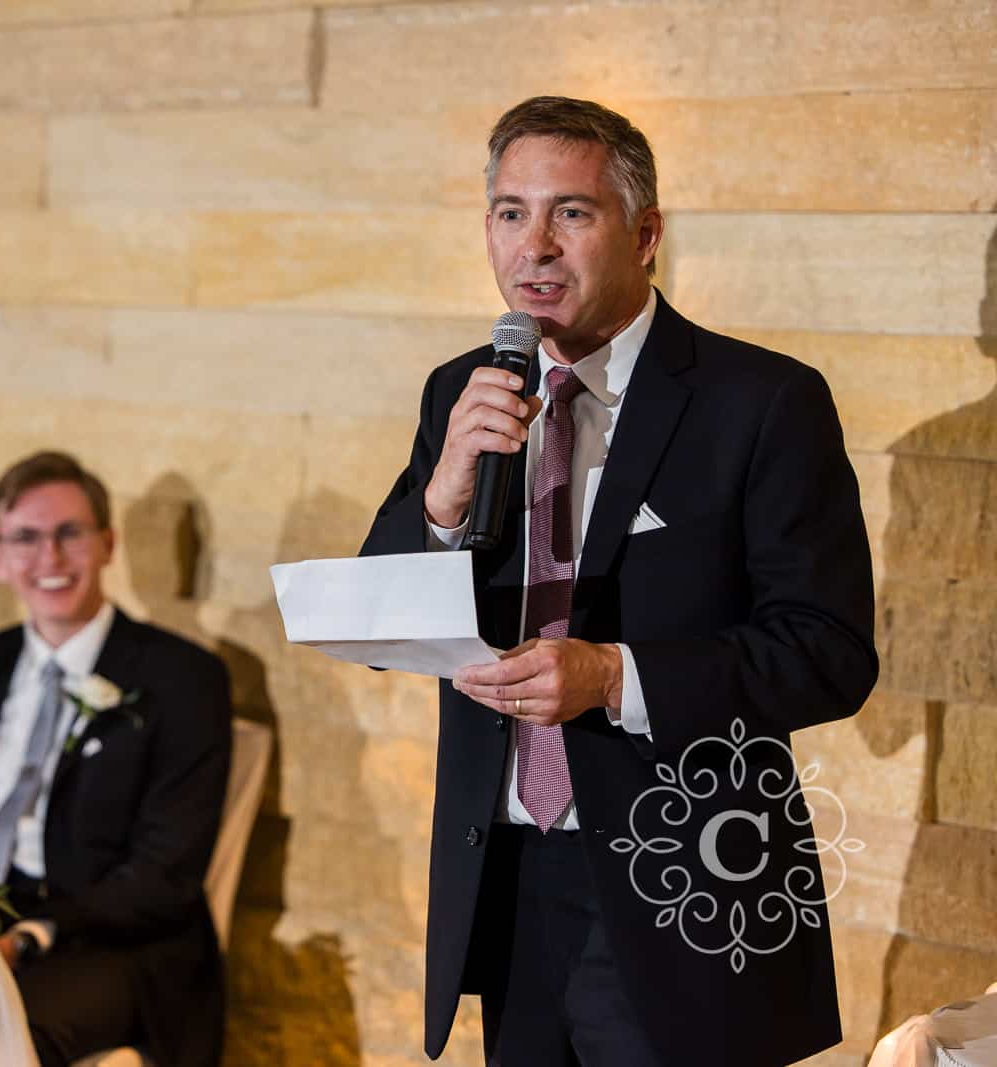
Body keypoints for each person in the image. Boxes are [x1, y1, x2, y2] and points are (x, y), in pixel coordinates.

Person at [360, 97, 878, 1066]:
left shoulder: (760, 401)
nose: (536, 246)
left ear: (644, 233)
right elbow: (382, 621)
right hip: (504, 877)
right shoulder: (461, 390)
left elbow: (828, 651)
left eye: (572, 212)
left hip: (680, 880)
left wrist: (613, 676)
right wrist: (440, 497)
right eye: (510, 212)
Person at [0, 451, 232, 1067]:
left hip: (108, 945)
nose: (50, 559)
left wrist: (32, 935)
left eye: (70, 534)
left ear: (107, 544)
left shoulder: (183, 680)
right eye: (25, 538)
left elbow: (167, 876)